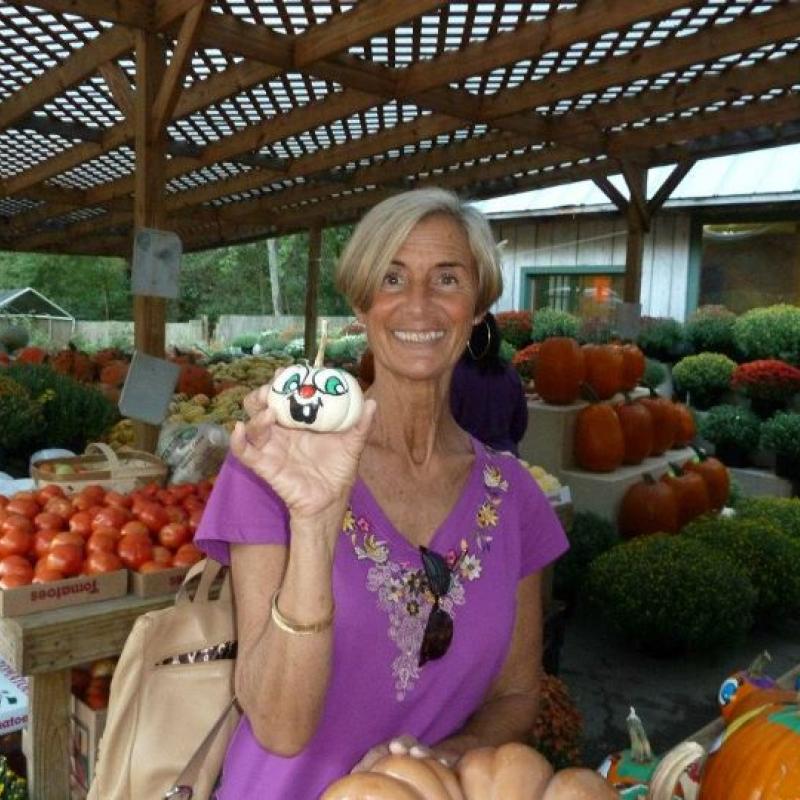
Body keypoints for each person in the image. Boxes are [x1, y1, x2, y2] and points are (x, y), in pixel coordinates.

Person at [194, 187, 569, 799]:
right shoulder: (275, 466)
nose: (417, 305)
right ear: (362, 303)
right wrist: (314, 521)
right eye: (392, 279)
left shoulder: (514, 497)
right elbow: (279, 726)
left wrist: (444, 761)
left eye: (447, 279)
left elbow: (517, 694)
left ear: (477, 307)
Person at [450, 311, 529, 456]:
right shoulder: (510, 374)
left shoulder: (453, 375)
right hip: (505, 458)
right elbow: (519, 425)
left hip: (465, 461)